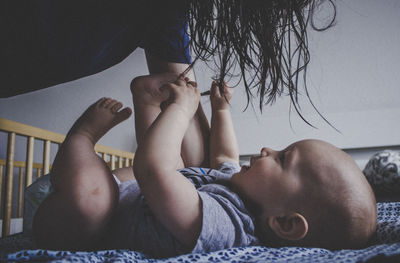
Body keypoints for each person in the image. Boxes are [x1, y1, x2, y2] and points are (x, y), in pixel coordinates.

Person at [33, 74, 377, 258]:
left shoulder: (229, 227)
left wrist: (181, 111)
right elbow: (226, 158)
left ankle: (81, 137)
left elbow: (154, 171)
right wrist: (221, 110)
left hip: (76, 227)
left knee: (96, 197)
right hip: (129, 197)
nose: (268, 149)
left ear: (285, 223)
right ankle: (147, 99)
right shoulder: (240, 189)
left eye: (284, 158)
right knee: (184, 167)